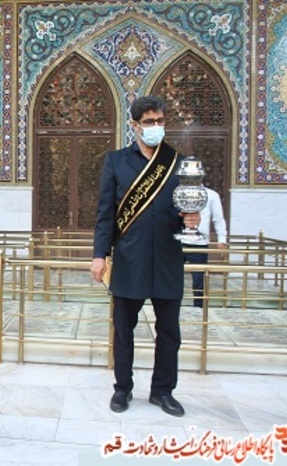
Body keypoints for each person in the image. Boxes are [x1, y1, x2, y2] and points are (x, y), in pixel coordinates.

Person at [91, 95, 200, 418]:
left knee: (169, 334)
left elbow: (187, 205)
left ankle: (162, 391)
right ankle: (122, 388)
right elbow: (105, 214)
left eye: (160, 121)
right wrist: (99, 255)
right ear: (135, 125)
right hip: (129, 260)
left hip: (167, 259)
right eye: (149, 122)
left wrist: (191, 218)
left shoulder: (178, 162)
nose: (156, 127)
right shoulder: (116, 161)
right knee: (124, 331)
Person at [182, 186, 228, 307]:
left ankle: (198, 304)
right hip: (179, 241)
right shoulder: (178, 192)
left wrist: (222, 240)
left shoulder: (211, 195)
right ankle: (170, 303)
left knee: (198, 278)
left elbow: (218, 219)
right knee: (172, 275)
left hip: (199, 244)